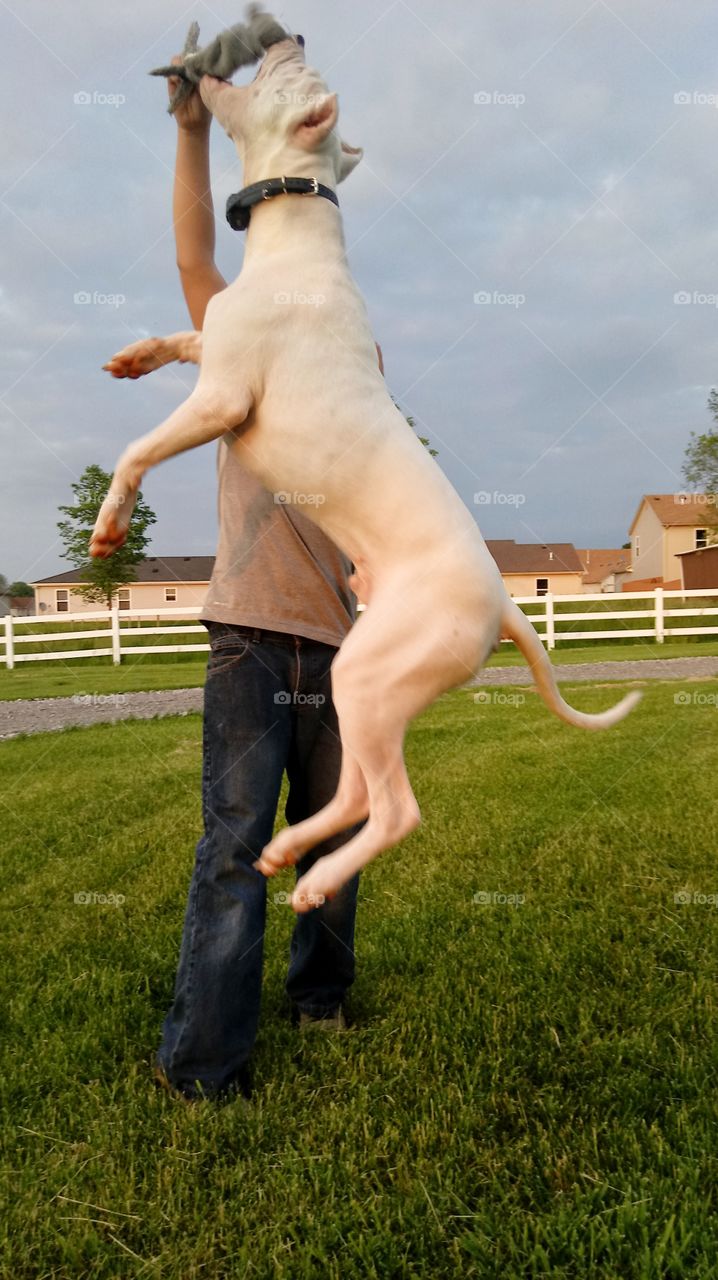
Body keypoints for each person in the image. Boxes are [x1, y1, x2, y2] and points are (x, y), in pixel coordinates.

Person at [150, 65, 382, 1101]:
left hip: (346, 642)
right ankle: (206, 1064)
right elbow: (196, 246)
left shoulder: (355, 349)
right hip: (250, 632)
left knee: (335, 833)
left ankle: (321, 996)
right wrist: (195, 129)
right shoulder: (236, 318)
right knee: (239, 846)